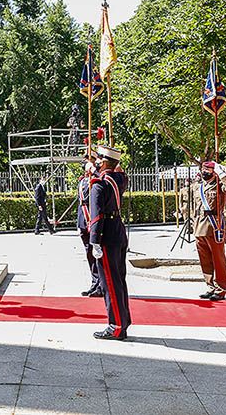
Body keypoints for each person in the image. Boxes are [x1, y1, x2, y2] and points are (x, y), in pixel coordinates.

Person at [89, 145, 130, 340]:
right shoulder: (119, 179)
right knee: (119, 280)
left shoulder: (99, 184)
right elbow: (119, 173)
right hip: (118, 231)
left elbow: (96, 216)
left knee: (110, 284)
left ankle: (116, 326)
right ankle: (124, 321)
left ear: (103, 162)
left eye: (98, 159)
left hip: (106, 234)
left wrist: (94, 241)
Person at [194, 161, 226, 301]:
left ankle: (221, 288)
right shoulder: (198, 186)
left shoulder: (219, 185)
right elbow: (196, 208)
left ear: (213, 171)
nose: (204, 172)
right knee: (205, 259)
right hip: (200, 226)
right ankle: (210, 286)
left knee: (218, 259)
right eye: (203, 169)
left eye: (208, 170)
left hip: (214, 225)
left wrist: (221, 174)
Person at [78, 158, 104, 297]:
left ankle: (101, 285)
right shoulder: (82, 180)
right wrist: (79, 223)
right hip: (84, 222)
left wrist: (94, 172)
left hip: (94, 222)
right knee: (90, 255)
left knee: (98, 255)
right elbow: (80, 203)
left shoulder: (97, 180)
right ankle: (94, 283)